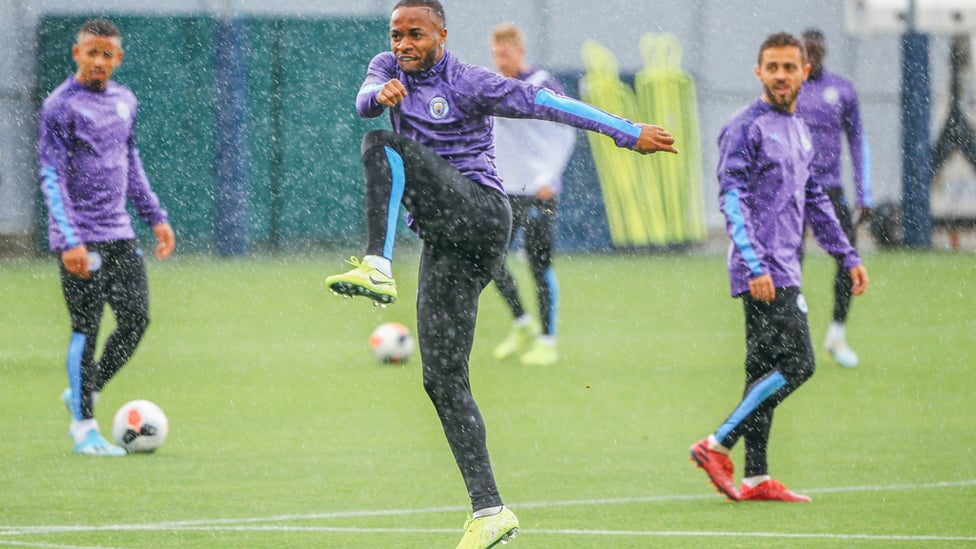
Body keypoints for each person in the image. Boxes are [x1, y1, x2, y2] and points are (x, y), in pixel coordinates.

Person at [323, 1, 677, 546]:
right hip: (448, 243)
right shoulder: (386, 67)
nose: (402, 45)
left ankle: (377, 262)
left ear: (441, 33)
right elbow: (363, 101)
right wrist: (379, 94)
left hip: (484, 215)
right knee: (441, 378)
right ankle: (490, 510)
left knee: (381, 147)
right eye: (396, 35)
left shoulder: (470, 81)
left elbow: (546, 104)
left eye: (415, 34)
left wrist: (626, 131)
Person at [689, 32, 867, 503]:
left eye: (790, 67)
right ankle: (716, 444)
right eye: (773, 67)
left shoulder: (801, 129)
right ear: (759, 72)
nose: (781, 76)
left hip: (786, 265)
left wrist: (847, 255)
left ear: (804, 72)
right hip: (763, 271)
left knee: (763, 370)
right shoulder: (745, 126)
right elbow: (732, 200)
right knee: (800, 364)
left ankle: (755, 477)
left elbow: (814, 200)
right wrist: (755, 265)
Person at [38, 18, 176, 456]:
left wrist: (155, 216)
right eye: (90, 52)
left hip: (120, 233)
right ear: (76, 54)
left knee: (136, 320)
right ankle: (84, 429)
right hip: (82, 239)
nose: (98, 61)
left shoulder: (125, 100)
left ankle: (86, 389)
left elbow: (130, 164)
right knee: (87, 327)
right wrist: (68, 239)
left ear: (118, 59)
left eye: (107, 54)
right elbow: (51, 175)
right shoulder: (60, 106)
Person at [488, 23, 577, 367]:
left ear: (520, 51)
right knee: (489, 260)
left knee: (540, 266)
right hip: (505, 190)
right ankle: (522, 323)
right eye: (496, 53)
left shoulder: (541, 84)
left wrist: (550, 175)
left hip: (539, 191)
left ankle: (547, 340)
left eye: (506, 52)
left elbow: (567, 129)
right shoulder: (494, 87)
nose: (501, 59)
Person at [796, 28, 872, 368]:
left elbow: (857, 141)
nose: (812, 54)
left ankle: (836, 336)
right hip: (791, 190)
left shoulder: (841, 90)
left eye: (817, 49)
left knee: (847, 259)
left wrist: (863, 191)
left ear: (823, 51)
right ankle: (791, 337)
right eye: (807, 50)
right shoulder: (788, 88)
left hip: (829, 190)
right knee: (788, 262)